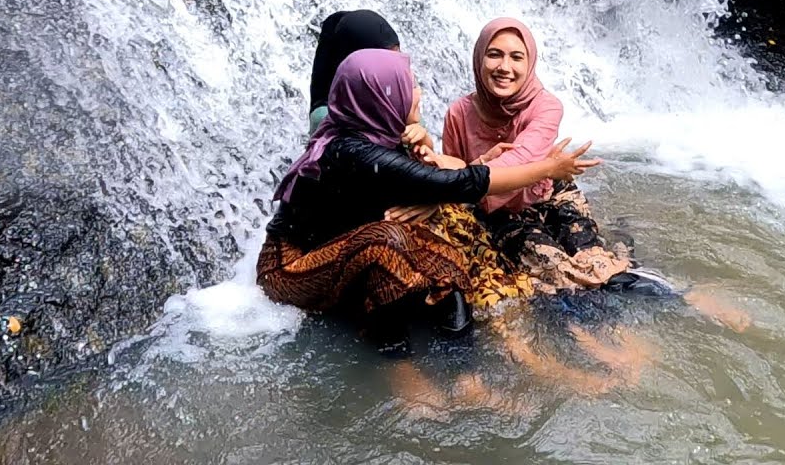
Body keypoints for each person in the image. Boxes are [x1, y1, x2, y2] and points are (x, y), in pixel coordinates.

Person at [257, 48, 601, 356]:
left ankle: (470, 356)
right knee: (389, 242)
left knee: (444, 250)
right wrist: (550, 168)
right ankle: (401, 367)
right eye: (409, 86)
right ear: (381, 96)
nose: (418, 93)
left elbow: (439, 180)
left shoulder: (368, 131)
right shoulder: (354, 151)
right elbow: (457, 184)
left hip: (340, 250)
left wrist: (466, 161)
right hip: (290, 270)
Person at [438, 17, 664, 295]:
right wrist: (476, 167)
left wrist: (459, 179)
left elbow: (518, 159)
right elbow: (457, 171)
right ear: (479, 58)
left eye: (516, 57)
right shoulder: (458, 113)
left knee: (601, 264)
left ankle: (682, 294)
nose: (504, 67)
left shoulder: (546, 106)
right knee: (562, 278)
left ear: (529, 63)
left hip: (551, 193)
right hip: (499, 214)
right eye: (494, 54)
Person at [307, 10, 401, 135]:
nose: (399, 70)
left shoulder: (394, 91)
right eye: (387, 62)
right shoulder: (328, 118)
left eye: (399, 59)